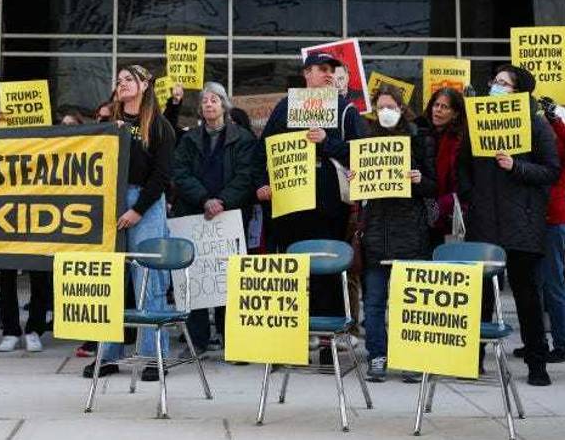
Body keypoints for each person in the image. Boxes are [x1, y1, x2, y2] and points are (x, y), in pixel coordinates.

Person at [257, 52, 363, 365]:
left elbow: (361, 152)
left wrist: (327, 142)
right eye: (322, 69)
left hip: (330, 207)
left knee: (327, 274)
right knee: (292, 272)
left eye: (333, 70)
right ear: (307, 74)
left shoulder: (345, 111)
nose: (329, 74)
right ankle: (288, 344)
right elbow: (265, 148)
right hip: (290, 204)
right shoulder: (285, 108)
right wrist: (263, 185)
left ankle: (329, 346)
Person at [464, 64, 560, 386]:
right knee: (481, 297)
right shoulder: (477, 124)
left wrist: (515, 166)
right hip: (484, 223)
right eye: (495, 81)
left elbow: (551, 171)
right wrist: (471, 197)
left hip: (522, 223)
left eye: (504, 83)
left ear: (518, 93)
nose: (496, 86)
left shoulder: (535, 125)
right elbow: (463, 167)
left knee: (527, 296)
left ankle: (537, 364)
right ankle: (472, 360)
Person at [83, 64, 176, 382]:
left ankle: (154, 356)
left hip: (145, 204)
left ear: (144, 86)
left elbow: (161, 175)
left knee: (148, 278)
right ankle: (107, 355)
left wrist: (137, 210)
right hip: (110, 199)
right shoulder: (109, 122)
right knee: (108, 278)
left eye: (128, 79)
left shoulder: (160, 126)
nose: (121, 84)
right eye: (118, 80)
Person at [170, 81, 257, 355]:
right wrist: (204, 199)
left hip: (229, 217)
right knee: (196, 278)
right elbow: (180, 173)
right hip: (194, 215)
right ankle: (197, 341)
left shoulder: (242, 138)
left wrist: (222, 201)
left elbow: (246, 176)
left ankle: (230, 338)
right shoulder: (188, 139)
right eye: (205, 100)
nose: (209, 104)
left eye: (214, 100)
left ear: (224, 105)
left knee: (227, 279)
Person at [358, 85, 434, 383]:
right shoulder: (366, 140)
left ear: (402, 109)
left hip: (410, 232)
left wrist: (418, 179)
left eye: (391, 106)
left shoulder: (419, 139)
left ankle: (411, 359)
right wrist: (357, 177)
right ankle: (377, 356)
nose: (385, 111)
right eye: (380, 107)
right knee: (374, 302)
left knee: (407, 302)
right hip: (377, 231)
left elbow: (434, 184)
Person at [516, 97, 565, 364]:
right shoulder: (537, 142)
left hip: (552, 218)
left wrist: (555, 120)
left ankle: (564, 344)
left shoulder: (562, 148)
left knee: (554, 284)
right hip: (531, 217)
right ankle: (536, 339)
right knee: (535, 285)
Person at [419, 88, 469, 249]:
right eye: (436, 105)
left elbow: (463, 183)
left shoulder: (461, 142)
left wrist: (439, 206)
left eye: (444, 107)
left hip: (450, 216)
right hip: (424, 214)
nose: (438, 110)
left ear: (455, 114)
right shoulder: (421, 135)